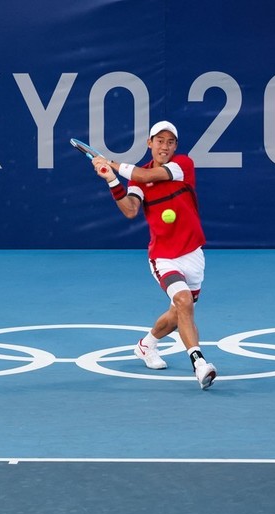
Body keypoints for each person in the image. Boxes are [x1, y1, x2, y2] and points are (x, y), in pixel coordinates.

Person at [91, 121, 217, 390]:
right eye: (160, 140)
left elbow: (146, 176)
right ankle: (199, 363)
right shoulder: (137, 178)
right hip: (163, 257)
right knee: (183, 301)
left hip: (193, 253)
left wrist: (111, 163)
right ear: (150, 143)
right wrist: (111, 180)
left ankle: (146, 345)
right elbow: (130, 209)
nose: (165, 146)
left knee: (180, 311)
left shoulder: (183, 165)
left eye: (170, 142)